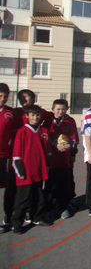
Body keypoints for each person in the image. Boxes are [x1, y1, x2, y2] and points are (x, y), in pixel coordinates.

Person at [11, 105, 51, 234]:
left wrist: (48, 166)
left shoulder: (43, 130)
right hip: (26, 173)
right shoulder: (22, 131)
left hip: (40, 172)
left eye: (37, 115)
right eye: (32, 115)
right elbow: (16, 156)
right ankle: (16, 223)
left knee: (39, 198)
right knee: (22, 200)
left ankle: (37, 217)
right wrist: (20, 172)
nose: (35, 117)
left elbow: (48, 152)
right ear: (27, 116)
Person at [43, 99, 78, 220]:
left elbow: (74, 139)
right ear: (52, 109)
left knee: (64, 184)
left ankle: (63, 207)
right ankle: (46, 209)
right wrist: (55, 145)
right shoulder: (47, 122)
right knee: (48, 186)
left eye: (63, 109)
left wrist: (70, 146)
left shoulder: (70, 121)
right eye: (58, 109)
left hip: (64, 160)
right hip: (50, 161)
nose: (60, 111)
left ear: (66, 110)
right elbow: (45, 139)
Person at [0, 83, 17, 230]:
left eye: (5, 97)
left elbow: (14, 134)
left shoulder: (10, 113)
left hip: (4, 155)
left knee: (6, 187)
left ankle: (7, 216)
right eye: (0, 96)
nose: (3, 99)